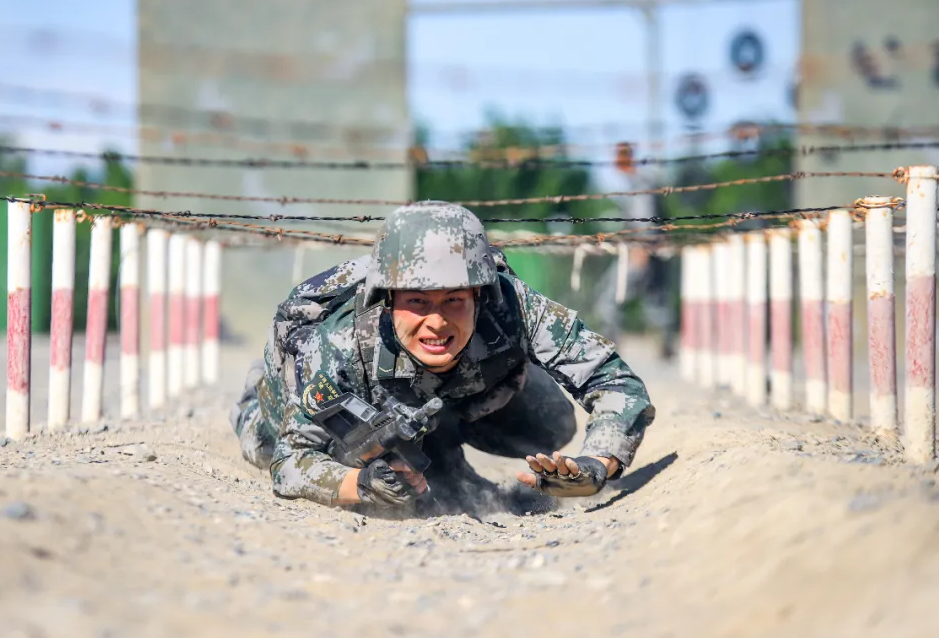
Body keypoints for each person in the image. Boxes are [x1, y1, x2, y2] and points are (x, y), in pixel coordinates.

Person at [229, 201, 656, 515]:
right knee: (279, 448)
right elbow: (291, 461)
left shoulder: (508, 303)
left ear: (479, 297)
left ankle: (442, 452)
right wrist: (359, 483)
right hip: (303, 407)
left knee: (552, 422)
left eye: (453, 300)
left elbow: (612, 378)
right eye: (417, 301)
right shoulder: (335, 345)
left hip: (447, 399)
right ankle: (435, 465)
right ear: (388, 301)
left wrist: (598, 463)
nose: (436, 322)